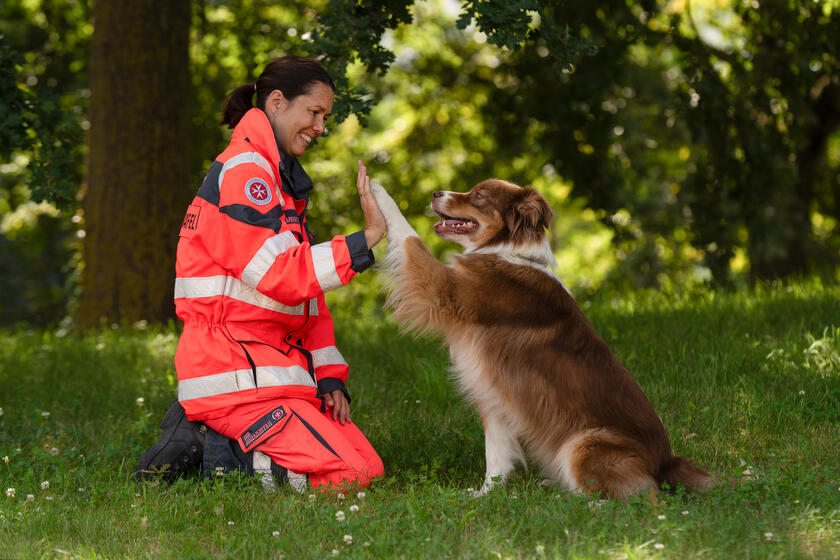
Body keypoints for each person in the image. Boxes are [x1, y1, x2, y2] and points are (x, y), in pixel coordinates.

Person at [137, 55, 386, 492]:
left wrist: (329, 376)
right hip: (234, 374)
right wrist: (364, 241)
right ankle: (204, 444)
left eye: (325, 117)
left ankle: (213, 437)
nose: (321, 127)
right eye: (314, 112)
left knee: (370, 465)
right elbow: (282, 276)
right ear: (276, 102)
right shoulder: (247, 173)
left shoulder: (277, 180)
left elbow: (306, 298)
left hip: (270, 373)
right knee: (350, 474)